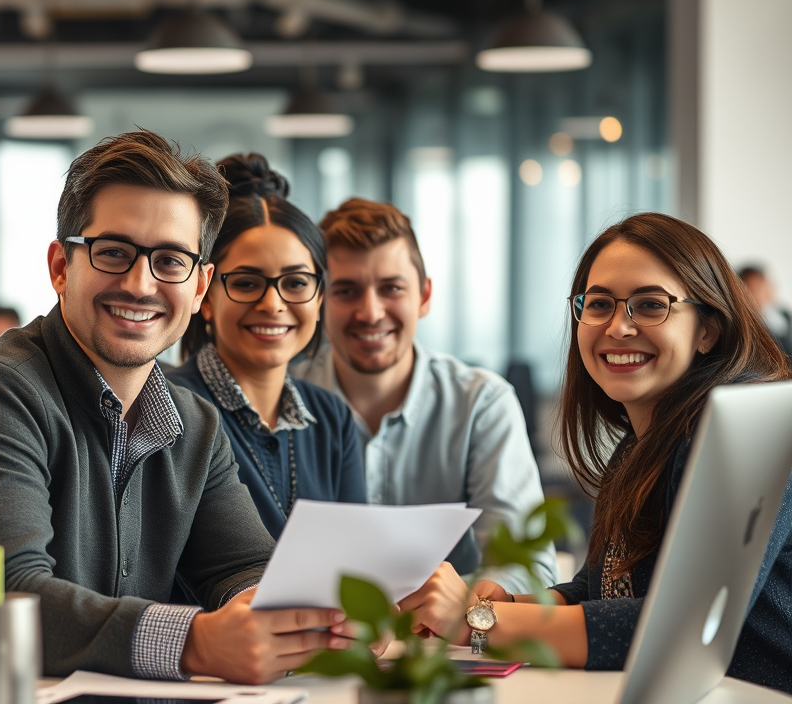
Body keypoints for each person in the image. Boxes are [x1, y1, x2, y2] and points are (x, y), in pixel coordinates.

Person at [0, 131, 350, 690]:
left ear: (201, 285)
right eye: (113, 252)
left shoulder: (196, 426)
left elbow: (242, 569)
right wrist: (197, 641)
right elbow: (9, 592)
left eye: (170, 261)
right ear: (62, 266)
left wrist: (304, 620)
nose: (140, 285)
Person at [397, 212, 792, 695]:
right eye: (600, 303)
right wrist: (509, 603)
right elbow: (599, 588)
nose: (619, 327)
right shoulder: (639, 446)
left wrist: (479, 623)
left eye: (650, 305)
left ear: (707, 329)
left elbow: (676, 626)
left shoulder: (742, 435)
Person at [292, 198, 555, 591]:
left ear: (425, 296)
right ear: (319, 302)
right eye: (346, 291)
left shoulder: (482, 403)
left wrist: (463, 601)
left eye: (391, 288)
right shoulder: (283, 399)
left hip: (440, 644)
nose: (370, 312)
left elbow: (528, 565)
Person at [167, 153, 366, 541]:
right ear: (205, 295)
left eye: (295, 283)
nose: (273, 304)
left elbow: (355, 562)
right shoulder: (166, 408)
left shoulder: (333, 419)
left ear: (320, 297)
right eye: (245, 283)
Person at [738, 265, 792, 356]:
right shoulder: (743, 325)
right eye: (754, 289)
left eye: (763, 285)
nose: (761, 293)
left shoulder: (784, 315)